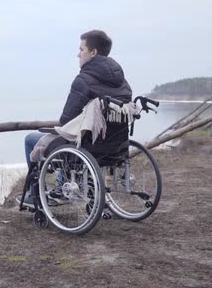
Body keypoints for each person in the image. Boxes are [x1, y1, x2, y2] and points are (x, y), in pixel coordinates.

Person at [19, 30, 132, 206]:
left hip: (88, 147)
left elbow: (66, 120)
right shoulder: (123, 83)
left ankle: (35, 195)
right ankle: (60, 185)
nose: (78, 54)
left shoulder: (83, 80)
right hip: (115, 146)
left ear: (93, 52)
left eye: (81, 49)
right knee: (70, 140)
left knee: (31, 140)